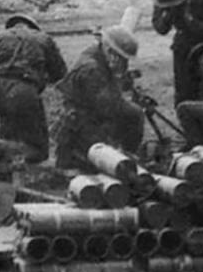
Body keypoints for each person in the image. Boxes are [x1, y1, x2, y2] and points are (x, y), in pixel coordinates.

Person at [0, 14, 67, 165]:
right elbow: (59, 74)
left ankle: (5, 163)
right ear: (32, 27)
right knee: (39, 150)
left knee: (9, 128)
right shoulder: (43, 38)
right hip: (23, 90)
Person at [52, 25, 145, 171]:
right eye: (122, 59)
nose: (124, 64)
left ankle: (128, 153)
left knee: (134, 113)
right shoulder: (92, 69)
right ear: (111, 52)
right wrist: (119, 80)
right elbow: (107, 108)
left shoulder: (99, 53)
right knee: (103, 161)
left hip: (91, 110)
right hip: (82, 121)